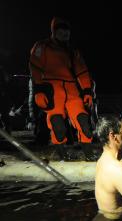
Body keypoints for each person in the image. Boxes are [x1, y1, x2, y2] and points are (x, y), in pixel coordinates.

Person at [28, 17, 95, 160]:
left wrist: (87, 91)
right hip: (52, 89)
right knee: (57, 124)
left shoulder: (72, 51)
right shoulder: (42, 46)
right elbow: (35, 66)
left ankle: (89, 155)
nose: (65, 35)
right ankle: (62, 156)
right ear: (54, 31)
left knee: (83, 121)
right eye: (61, 31)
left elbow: (82, 71)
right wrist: (39, 89)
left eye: (67, 32)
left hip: (72, 89)